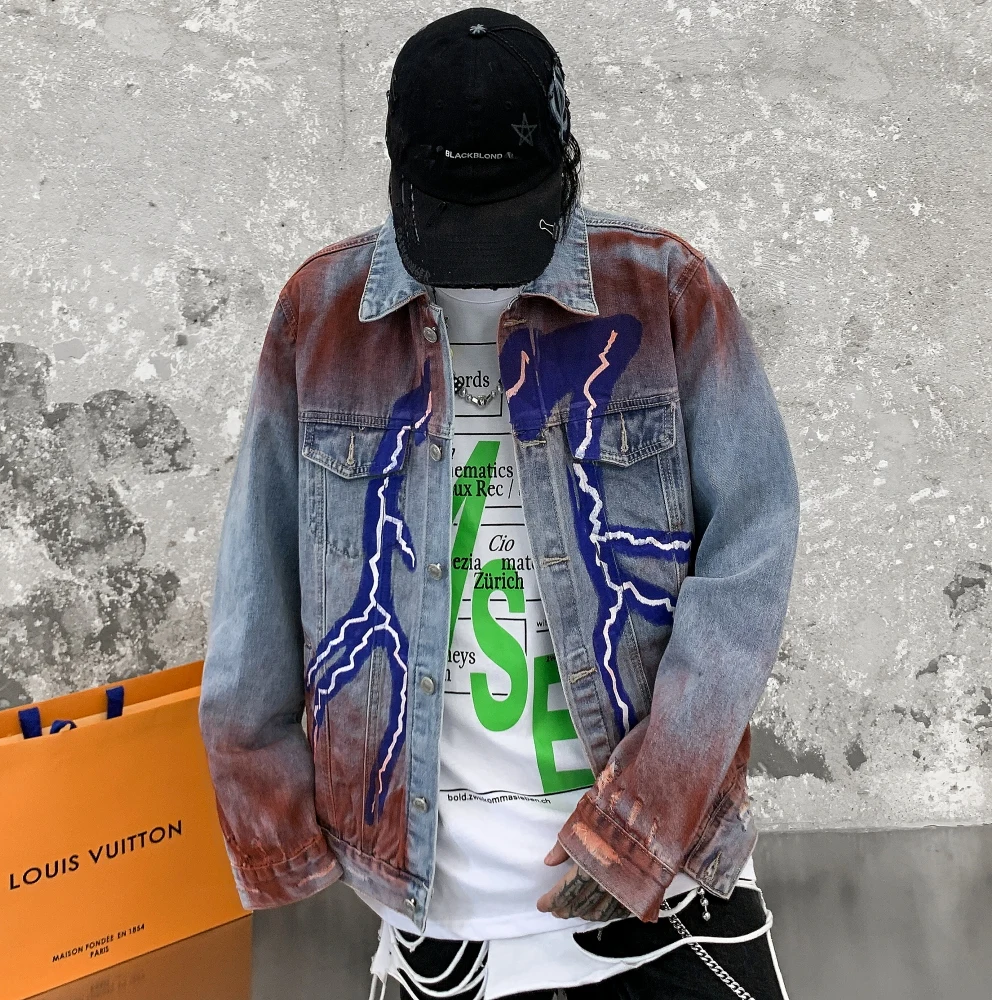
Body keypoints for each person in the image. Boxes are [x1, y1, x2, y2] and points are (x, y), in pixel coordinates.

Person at [199, 7, 799, 1000]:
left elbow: (753, 546)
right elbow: (257, 567)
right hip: (435, 934)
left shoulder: (665, 291)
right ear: (398, 174)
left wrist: (646, 821)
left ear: (568, 162)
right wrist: (270, 811)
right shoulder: (321, 315)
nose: (485, 254)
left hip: (667, 907)